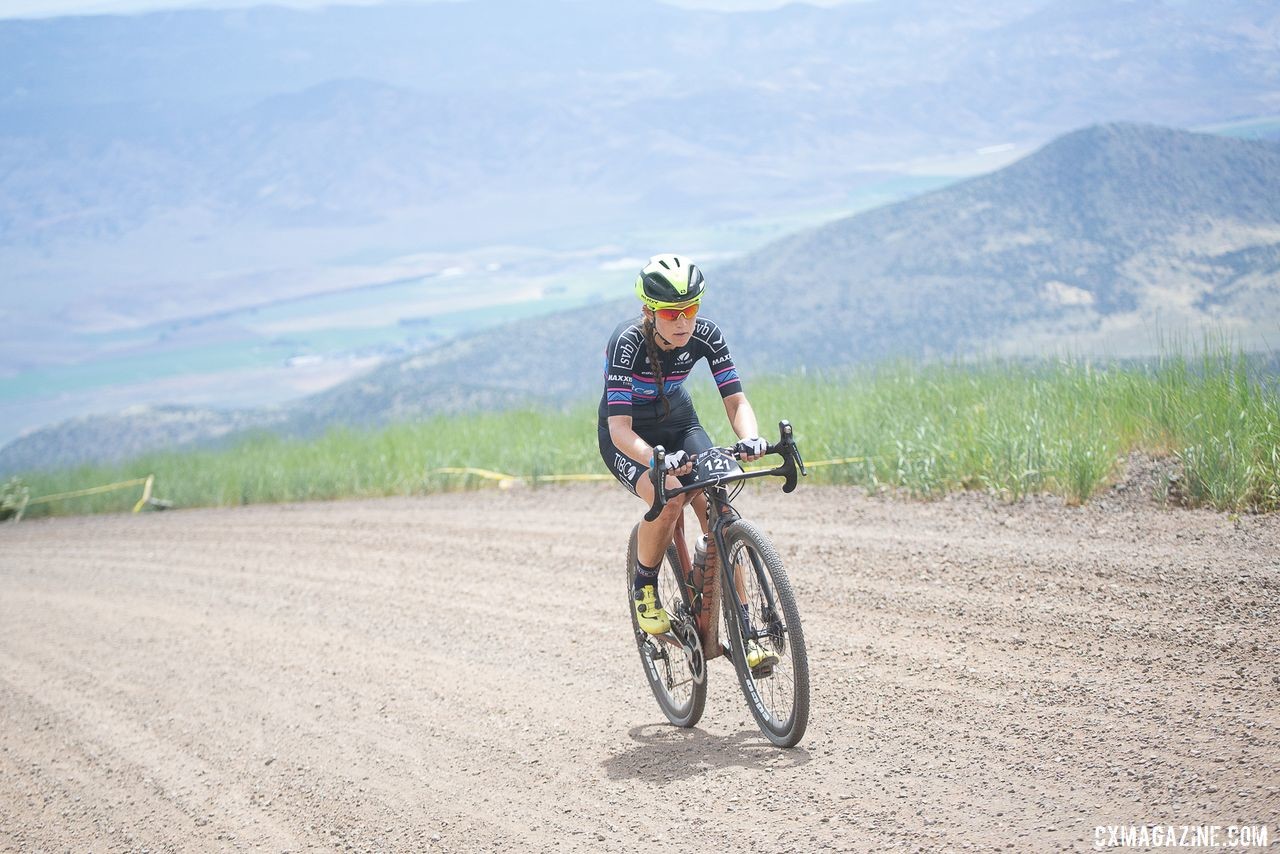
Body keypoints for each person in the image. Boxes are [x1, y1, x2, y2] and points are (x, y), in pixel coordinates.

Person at [598, 253, 778, 670]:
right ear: (649, 311)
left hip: (680, 423)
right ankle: (645, 587)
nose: (683, 322)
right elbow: (620, 429)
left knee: (720, 505)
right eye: (672, 313)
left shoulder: (707, 335)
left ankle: (746, 628)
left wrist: (750, 438)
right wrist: (656, 461)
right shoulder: (627, 342)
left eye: (691, 309)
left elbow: (735, 400)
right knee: (672, 496)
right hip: (629, 436)